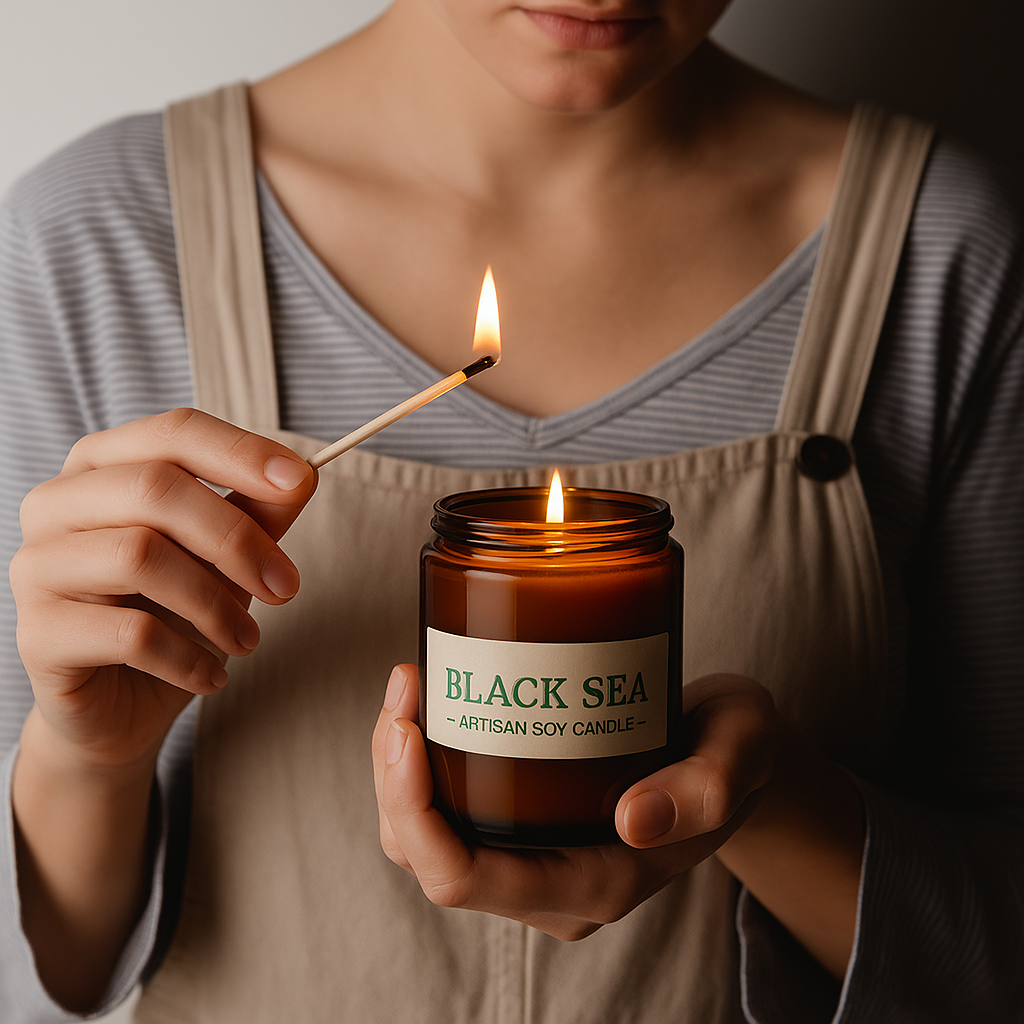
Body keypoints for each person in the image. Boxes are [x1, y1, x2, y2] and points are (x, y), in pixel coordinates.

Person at [1, 0, 1022, 1021]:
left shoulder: (938, 254)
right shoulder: (93, 247)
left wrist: (773, 798)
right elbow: (44, 984)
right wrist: (88, 758)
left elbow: (994, 960)